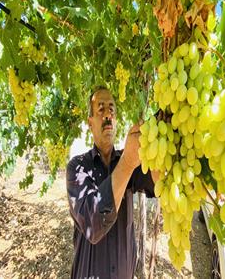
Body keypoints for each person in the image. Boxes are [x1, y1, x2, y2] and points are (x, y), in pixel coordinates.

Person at [66, 86, 159, 279]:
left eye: (112, 109)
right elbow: (93, 224)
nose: (108, 113)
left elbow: (158, 182)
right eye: (100, 109)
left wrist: (159, 133)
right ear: (90, 123)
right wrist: (127, 163)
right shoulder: (77, 168)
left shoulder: (129, 163)